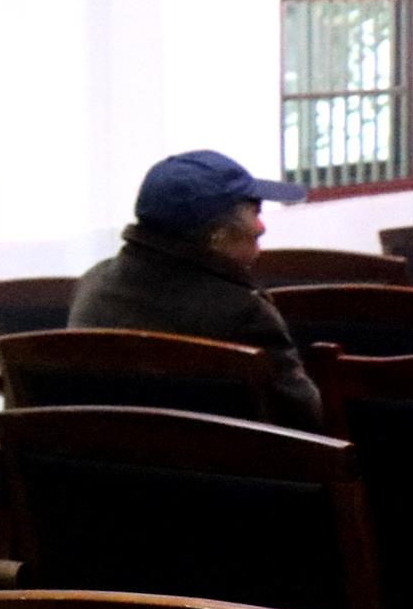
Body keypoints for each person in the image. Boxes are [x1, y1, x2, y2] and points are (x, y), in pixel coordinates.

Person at [69, 149, 321, 428]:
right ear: (217, 237)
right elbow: (306, 420)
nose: (261, 227)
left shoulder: (92, 285)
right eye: (255, 211)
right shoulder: (242, 314)